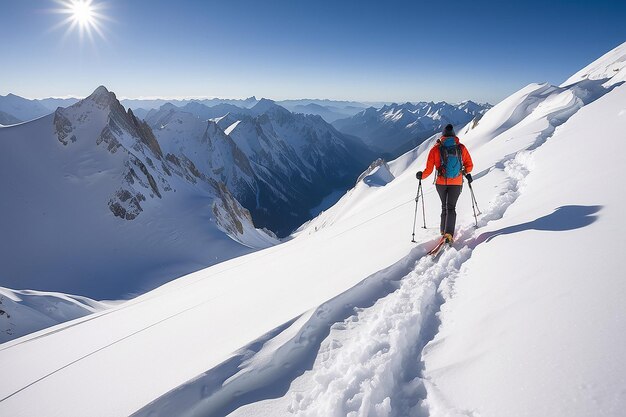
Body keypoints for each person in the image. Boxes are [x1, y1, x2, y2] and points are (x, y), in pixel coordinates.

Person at [416, 124, 473, 243]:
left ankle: (443, 230)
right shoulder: (461, 148)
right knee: (451, 207)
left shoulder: (435, 149)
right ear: (454, 135)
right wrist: (464, 172)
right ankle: (448, 233)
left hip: (441, 182)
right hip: (456, 182)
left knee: (444, 206)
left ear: (442, 136)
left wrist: (421, 175)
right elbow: (469, 165)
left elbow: (429, 170)